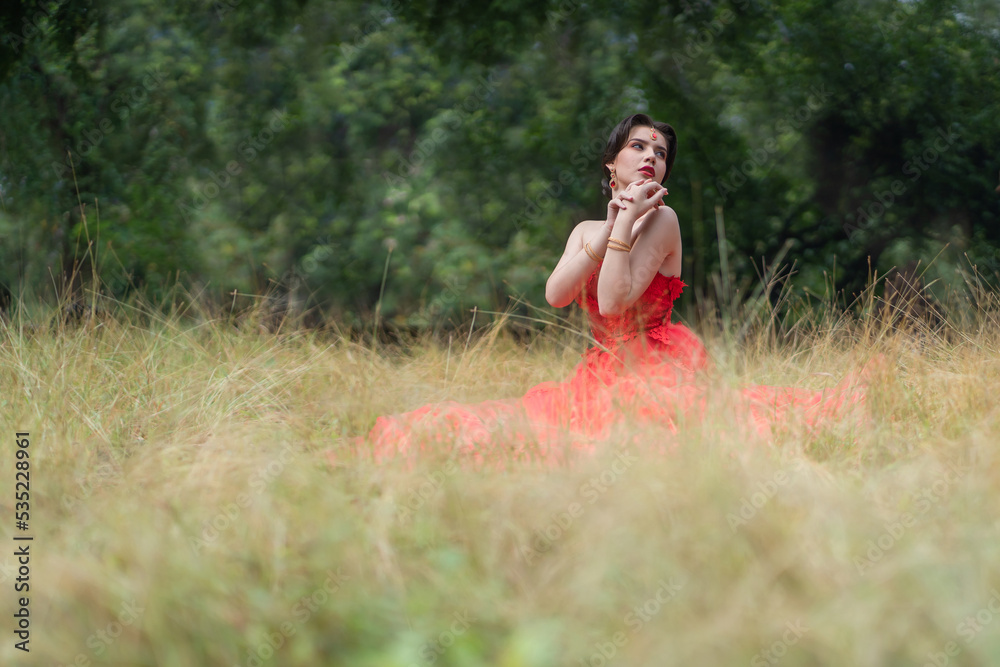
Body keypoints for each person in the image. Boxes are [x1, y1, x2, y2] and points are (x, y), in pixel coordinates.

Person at [336, 114, 866, 469]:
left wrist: (629, 219)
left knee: (635, 445)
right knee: (510, 431)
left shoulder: (664, 222)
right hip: (601, 366)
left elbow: (614, 302)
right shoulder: (587, 229)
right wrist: (608, 229)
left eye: (659, 153)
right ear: (611, 164)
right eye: (637, 146)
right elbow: (556, 296)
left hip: (659, 365)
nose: (649, 157)